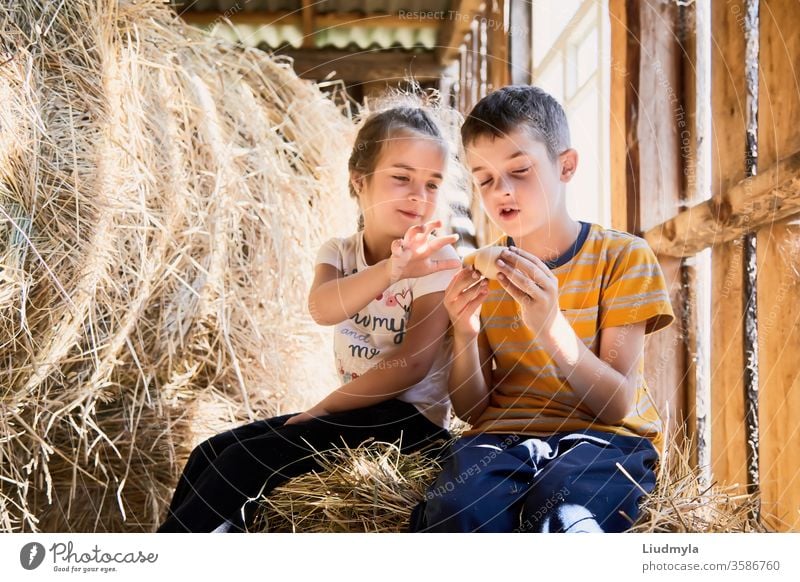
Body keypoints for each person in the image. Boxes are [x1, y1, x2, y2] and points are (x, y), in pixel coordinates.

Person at [158, 106, 462, 532]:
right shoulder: (339, 251)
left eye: (433, 183)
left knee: (243, 462)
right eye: (401, 177)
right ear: (360, 181)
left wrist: (322, 409)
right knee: (209, 452)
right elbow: (324, 308)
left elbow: (410, 367)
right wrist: (392, 270)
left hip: (410, 427)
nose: (419, 194)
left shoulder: (438, 259)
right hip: (354, 414)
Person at [409, 85, 676, 533]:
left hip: (604, 442)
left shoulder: (623, 258)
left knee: (568, 520)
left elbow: (614, 404)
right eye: (486, 179)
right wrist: (465, 332)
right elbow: (473, 410)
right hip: (496, 439)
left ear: (566, 166)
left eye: (520, 170)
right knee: (458, 513)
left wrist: (550, 326)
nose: (502, 192)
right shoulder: (482, 272)